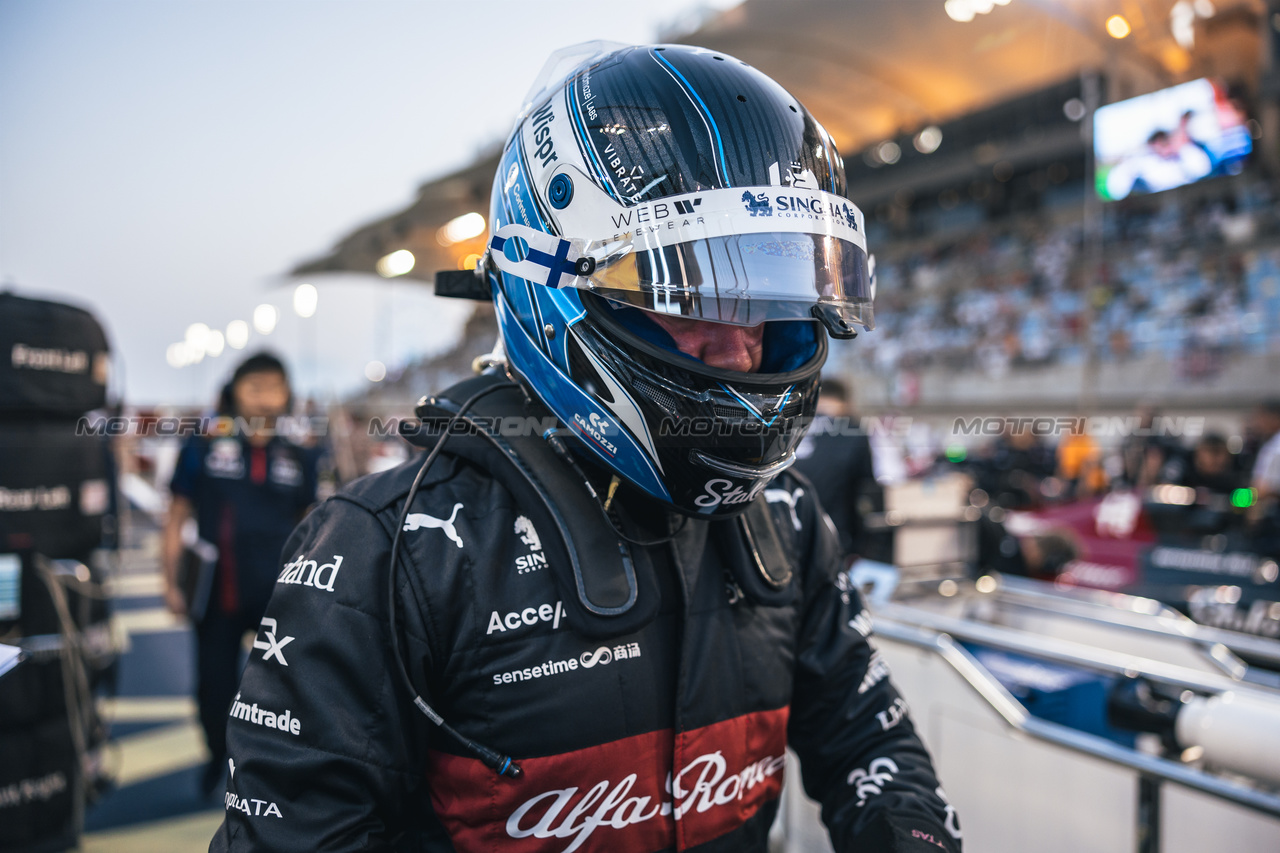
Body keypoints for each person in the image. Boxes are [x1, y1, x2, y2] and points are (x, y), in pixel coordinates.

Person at [210, 43, 961, 853]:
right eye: (696, 293)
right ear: (557, 285)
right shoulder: (383, 547)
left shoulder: (787, 516)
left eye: (775, 302)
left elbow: (872, 745)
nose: (742, 349)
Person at [162, 352, 318, 796]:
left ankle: (275, 774)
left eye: (275, 387)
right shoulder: (203, 446)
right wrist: (169, 582)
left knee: (290, 690)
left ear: (288, 394)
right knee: (213, 689)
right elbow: (175, 516)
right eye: (255, 386)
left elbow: (313, 525)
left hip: (283, 596)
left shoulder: (300, 453)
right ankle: (217, 758)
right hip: (216, 594)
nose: (265, 398)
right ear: (235, 392)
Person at [793, 376, 885, 565]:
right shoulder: (852, 430)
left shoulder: (788, 425)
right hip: (833, 537)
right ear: (845, 402)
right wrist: (866, 547)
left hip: (779, 533)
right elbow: (867, 490)